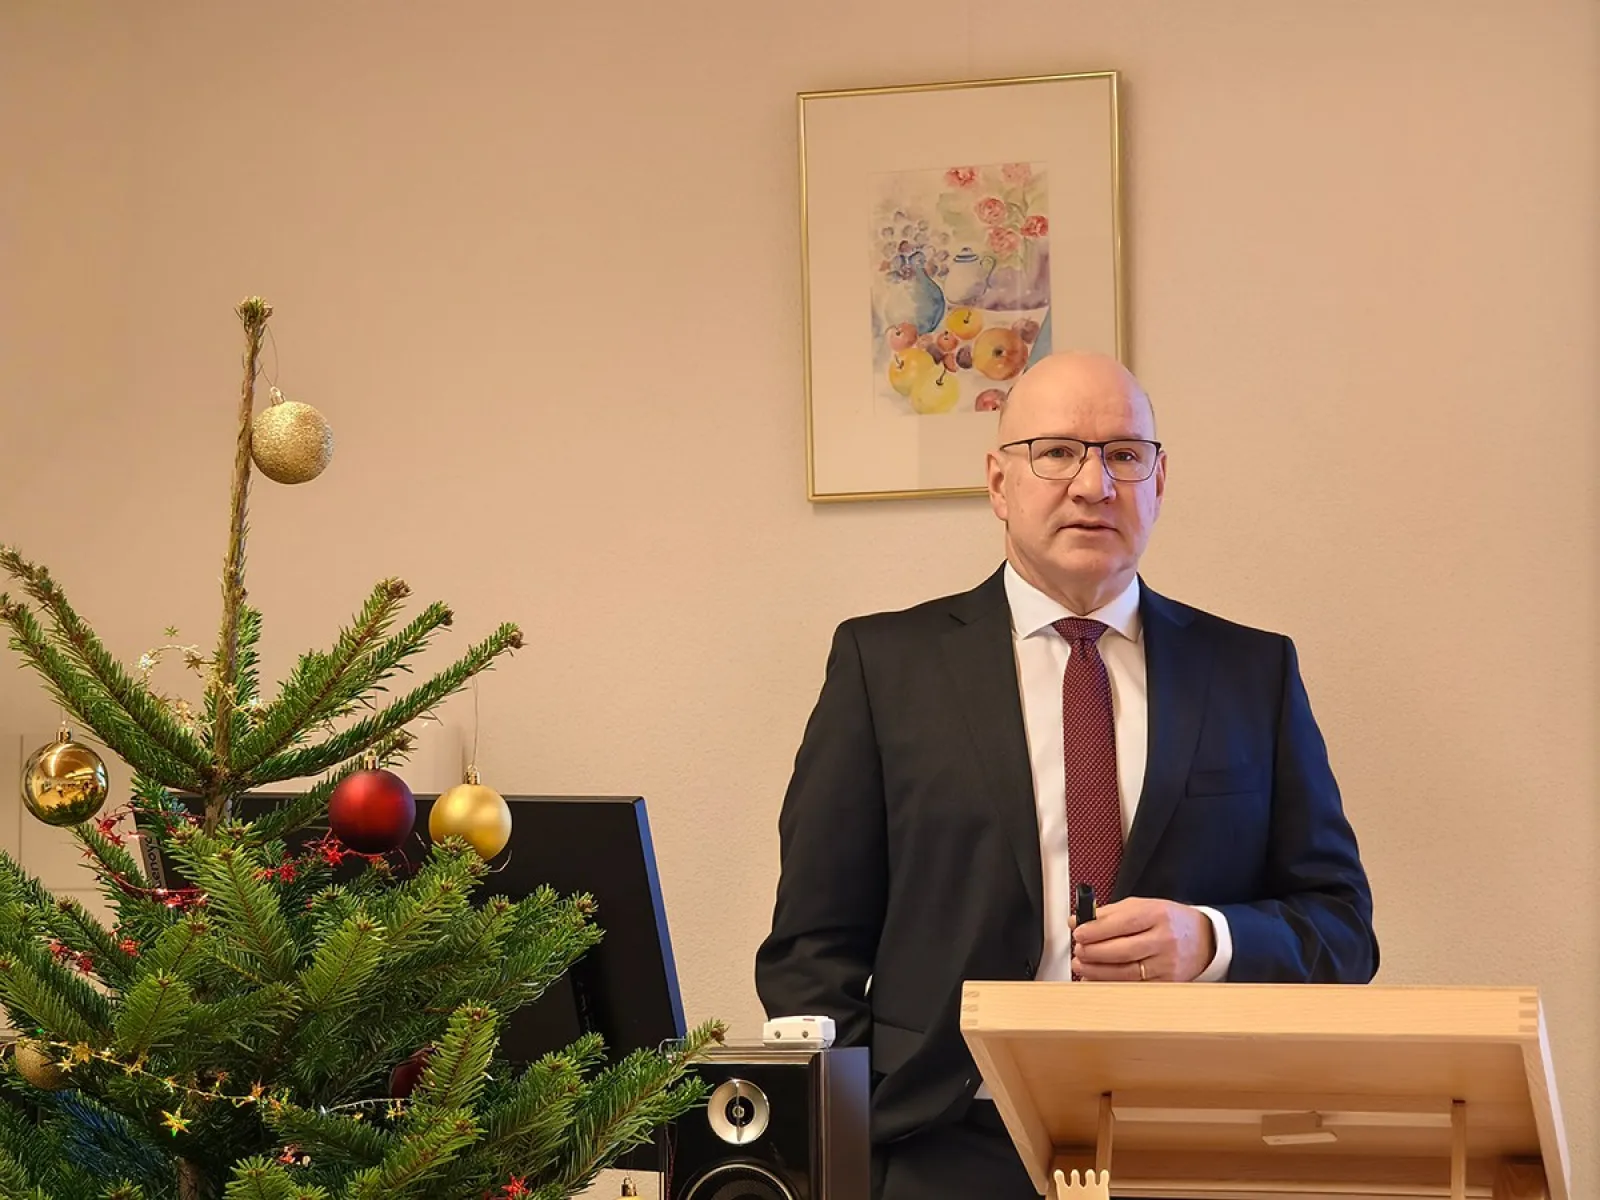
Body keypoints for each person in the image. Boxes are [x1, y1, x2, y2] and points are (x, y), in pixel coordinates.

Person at [754, 351, 1377, 1199]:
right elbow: (810, 949)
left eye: (1124, 454)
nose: (1094, 484)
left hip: (1196, 1144)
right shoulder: (882, 666)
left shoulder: (1252, 673)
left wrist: (1211, 939)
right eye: (1057, 452)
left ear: (1160, 481)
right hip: (946, 1140)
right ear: (998, 481)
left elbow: (1341, 927)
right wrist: (868, 1139)